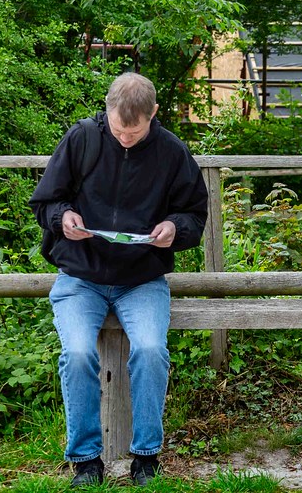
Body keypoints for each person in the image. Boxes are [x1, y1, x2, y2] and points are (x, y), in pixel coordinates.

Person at [30, 73, 208, 487]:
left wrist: (172, 228)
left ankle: (145, 458)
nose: (125, 137)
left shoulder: (172, 153)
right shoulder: (81, 139)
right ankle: (86, 461)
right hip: (79, 276)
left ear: (154, 115)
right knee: (76, 354)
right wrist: (63, 218)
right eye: (118, 129)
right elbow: (45, 202)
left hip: (141, 279)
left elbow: (194, 217)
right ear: (107, 111)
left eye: (135, 130)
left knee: (149, 350)